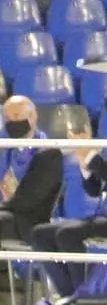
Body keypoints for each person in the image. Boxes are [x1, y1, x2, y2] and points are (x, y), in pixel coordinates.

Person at [32, 78, 107, 301]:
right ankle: (72, 299)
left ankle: (88, 300)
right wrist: (85, 164)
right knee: (39, 234)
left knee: (67, 234)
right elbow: (95, 190)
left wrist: (91, 156)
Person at [0, 94, 60, 242]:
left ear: (33, 116)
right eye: (7, 118)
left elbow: (27, 202)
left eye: (16, 116)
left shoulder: (49, 153)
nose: (11, 122)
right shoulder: (5, 149)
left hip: (28, 221)